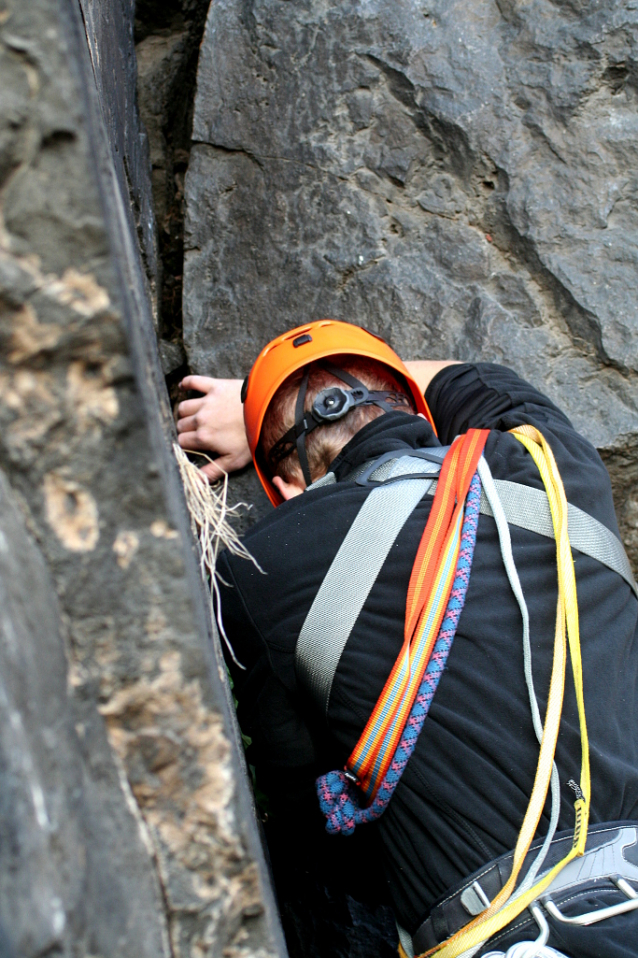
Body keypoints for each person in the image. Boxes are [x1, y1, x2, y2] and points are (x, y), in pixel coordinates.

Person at [177, 320, 638, 958]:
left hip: (498, 935)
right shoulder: (554, 463)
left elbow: (312, 820)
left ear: (282, 489)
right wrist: (252, 399)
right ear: (416, 412)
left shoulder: (263, 570)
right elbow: (465, 380)